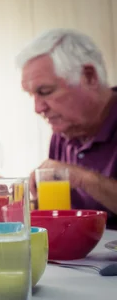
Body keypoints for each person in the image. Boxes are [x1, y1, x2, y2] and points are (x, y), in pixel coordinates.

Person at [18, 28, 117, 226]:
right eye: (32, 96)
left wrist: (82, 178)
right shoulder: (64, 132)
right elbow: (57, 214)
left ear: (89, 77)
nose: (38, 108)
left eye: (45, 91)